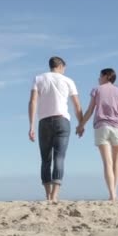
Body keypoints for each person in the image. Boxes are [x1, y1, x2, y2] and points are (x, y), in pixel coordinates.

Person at [28, 56, 83, 202]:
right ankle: (55, 195)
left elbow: (33, 101)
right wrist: (81, 124)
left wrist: (31, 126)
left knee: (45, 159)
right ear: (60, 66)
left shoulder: (38, 78)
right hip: (62, 120)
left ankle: (47, 195)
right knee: (59, 157)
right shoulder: (68, 80)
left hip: (44, 121)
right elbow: (77, 105)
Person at [77, 68, 118, 201]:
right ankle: (115, 192)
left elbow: (90, 110)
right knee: (117, 162)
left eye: (100, 76)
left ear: (106, 76)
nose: (98, 78)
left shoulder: (97, 90)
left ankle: (111, 194)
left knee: (107, 163)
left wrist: (81, 125)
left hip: (102, 127)